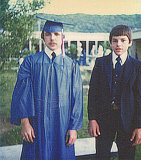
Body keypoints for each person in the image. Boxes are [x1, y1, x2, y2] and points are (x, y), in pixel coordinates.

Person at [10, 16, 83, 160]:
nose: (52, 38)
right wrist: (25, 122)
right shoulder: (30, 62)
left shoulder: (72, 66)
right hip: (36, 124)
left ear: (62, 37)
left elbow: (77, 98)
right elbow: (23, 94)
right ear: (43, 36)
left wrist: (73, 127)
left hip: (62, 125)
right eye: (48, 34)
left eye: (56, 34)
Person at [88, 25, 141, 160]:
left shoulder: (136, 66)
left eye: (123, 40)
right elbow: (93, 93)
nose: (119, 44)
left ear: (130, 42)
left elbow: (139, 98)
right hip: (104, 119)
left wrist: (139, 126)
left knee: (127, 155)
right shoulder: (100, 63)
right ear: (110, 42)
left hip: (128, 120)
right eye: (115, 40)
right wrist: (92, 119)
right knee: (101, 155)